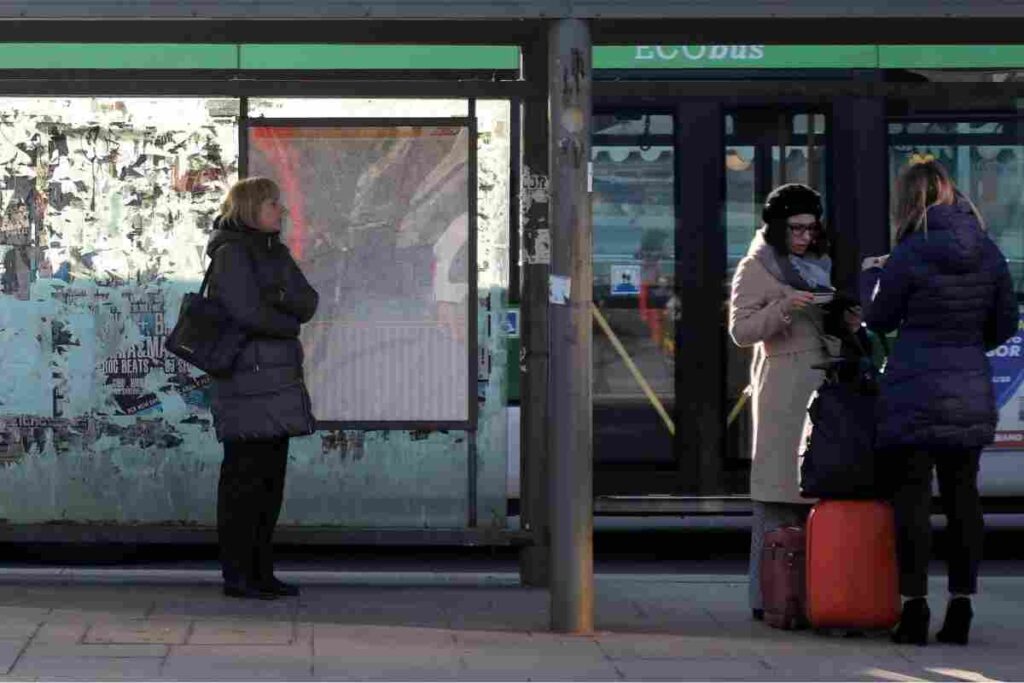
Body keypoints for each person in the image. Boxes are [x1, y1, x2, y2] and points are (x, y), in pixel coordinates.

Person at [861, 160, 1016, 646]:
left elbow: (879, 319)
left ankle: (913, 611)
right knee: (963, 499)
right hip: (969, 388)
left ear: (907, 202)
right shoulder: (988, 252)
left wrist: (872, 278)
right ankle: (962, 607)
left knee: (912, 502)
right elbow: (1005, 323)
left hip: (914, 390)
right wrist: (967, 343)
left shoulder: (908, 252)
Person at [729, 184, 860, 622]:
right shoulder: (755, 267)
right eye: (796, 228)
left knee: (815, 493)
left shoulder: (819, 266)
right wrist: (784, 305)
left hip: (821, 387)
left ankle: (811, 596)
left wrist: (844, 318)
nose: (805, 236)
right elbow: (742, 331)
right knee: (776, 495)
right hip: (783, 389)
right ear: (777, 228)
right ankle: (766, 598)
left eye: (811, 228)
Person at [206, 177, 320, 600]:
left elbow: (308, 301)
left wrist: (279, 299)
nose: (282, 211)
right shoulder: (232, 253)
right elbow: (249, 312)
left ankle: (261, 571)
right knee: (244, 479)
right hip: (245, 380)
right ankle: (239, 574)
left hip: (275, 380)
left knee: (270, 479)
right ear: (252, 208)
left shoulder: (274, 252)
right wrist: (284, 317)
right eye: (274, 205)